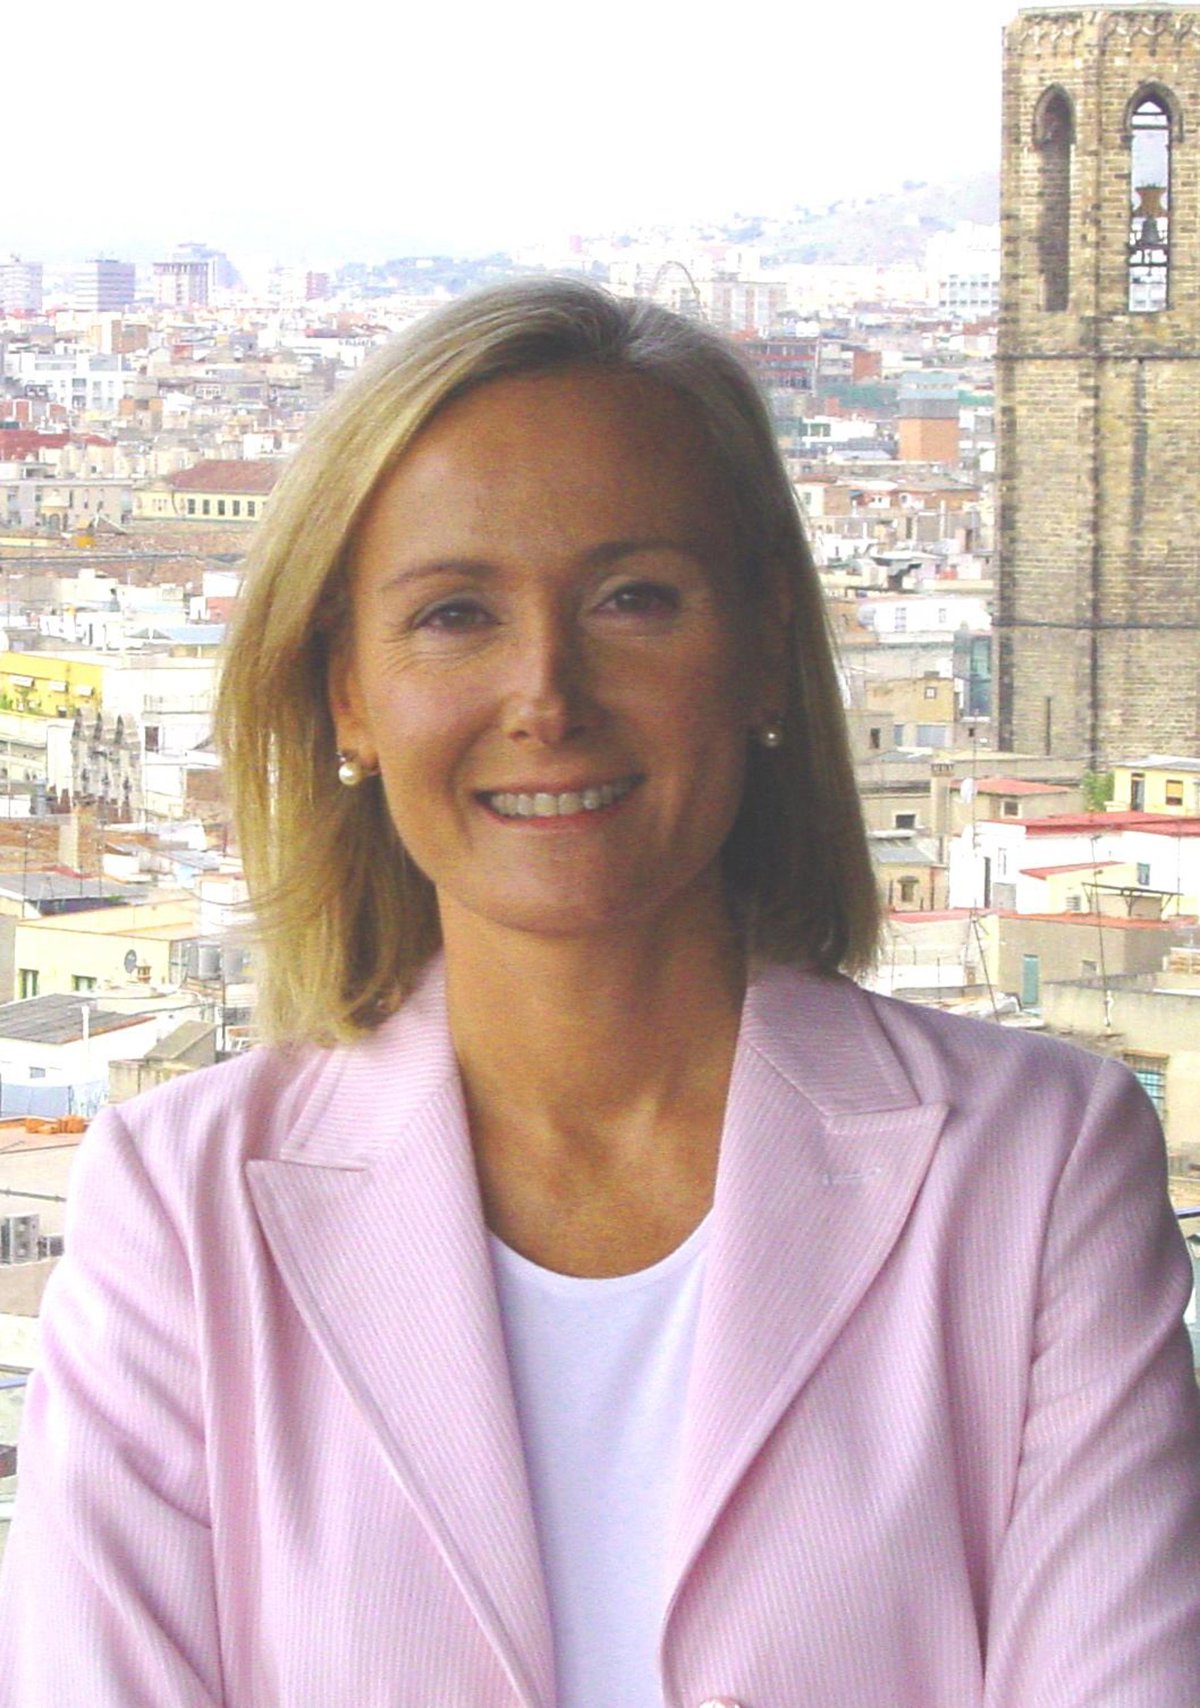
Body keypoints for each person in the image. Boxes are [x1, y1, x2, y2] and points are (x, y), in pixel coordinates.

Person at [1, 278, 1198, 1708]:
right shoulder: (181, 1207)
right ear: (348, 697)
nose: (547, 696)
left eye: (633, 600)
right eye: (455, 614)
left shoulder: (1033, 1168)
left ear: (763, 649)